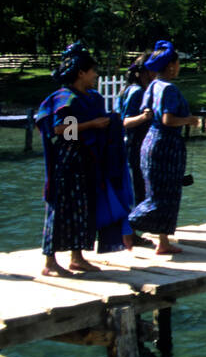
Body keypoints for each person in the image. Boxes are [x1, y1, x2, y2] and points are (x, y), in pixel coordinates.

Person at [35, 42, 134, 276]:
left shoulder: (89, 97)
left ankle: (77, 257)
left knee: (83, 209)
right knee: (61, 209)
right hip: (68, 163)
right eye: (93, 71)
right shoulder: (65, 98)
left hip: (87, 162)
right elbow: (61, 130)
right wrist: (92, 125)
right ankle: (49, 262)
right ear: (81, 73)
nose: (96, 75)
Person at [129, 40, 200, 255]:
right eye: (178, 63)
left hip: (150, 142)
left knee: (157, 192)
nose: (178, 67)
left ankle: (163, 242)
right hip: (166, 145)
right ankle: (126, 223)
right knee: (164, 196)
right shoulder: (169, 89)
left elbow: (149, 112)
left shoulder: (153, 86)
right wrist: (189, 120)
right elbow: (168, 119)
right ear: (170, 65)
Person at [118, 55, 156, 248]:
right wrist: (143, 117)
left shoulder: (132, 90)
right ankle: (129, 234)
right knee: (138, 190)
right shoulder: (136, 92)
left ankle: (131, 234)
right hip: (135, 146)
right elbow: (124, 122)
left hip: (134, 146)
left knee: (138, 190)